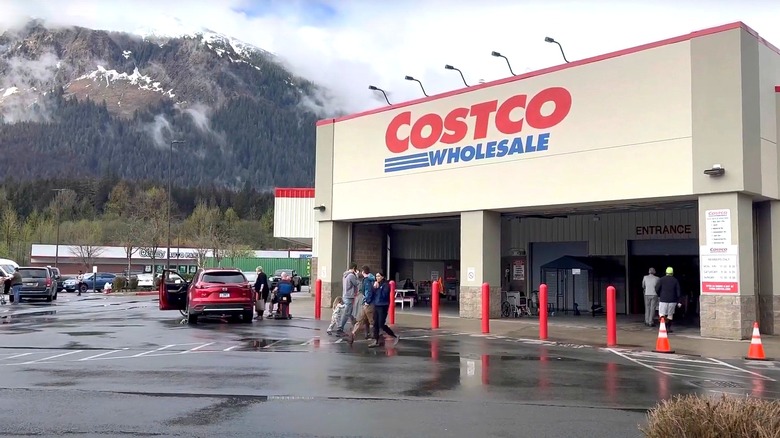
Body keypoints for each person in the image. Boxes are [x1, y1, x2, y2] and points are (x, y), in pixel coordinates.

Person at [368, 271, 399, 348]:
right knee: (375, 324)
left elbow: (385, 295)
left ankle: (394, 335)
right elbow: (372, 294)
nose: (377, 278)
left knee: (381, 324)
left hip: (383, 305)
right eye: (376, 276)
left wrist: (379, 288)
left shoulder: (385, 285)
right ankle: (376, 340)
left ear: (382, 277)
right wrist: (374, 288)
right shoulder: (375, 284)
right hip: (376, 305)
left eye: (378, 276)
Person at [347, 266, 375, 343]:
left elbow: (368, 291)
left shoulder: (366, 280)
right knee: (370, 320)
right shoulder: (372, 279)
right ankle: (374, 336)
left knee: (364, 320)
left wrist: (367, 301)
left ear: (363, 272)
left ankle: (353, 334)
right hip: (369, 304)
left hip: (367, 304)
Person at [655, 266, 682, 333]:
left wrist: (659, 295)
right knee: (670, 315)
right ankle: (668, 328)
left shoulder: (661, 279)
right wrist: (678, 300)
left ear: (666, 272)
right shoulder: (675, 280)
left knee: (662, 314)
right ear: (672, 273)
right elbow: (678, 291)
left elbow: (656, 289)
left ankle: (662, 328)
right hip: (672, 300)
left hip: (663, 299)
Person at [337, 263, 360, 335]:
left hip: (345, 295)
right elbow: (357, 283)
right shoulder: (351, 275)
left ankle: (355, 324)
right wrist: (357, 275)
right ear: (354, 268)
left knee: (349, 312)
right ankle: (340, 328)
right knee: (347, 313)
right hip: (349, 296)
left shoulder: (345, 275)